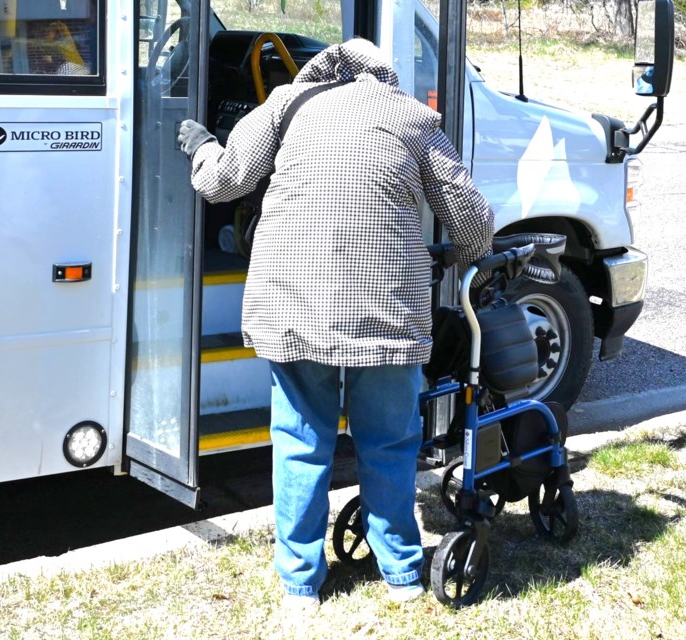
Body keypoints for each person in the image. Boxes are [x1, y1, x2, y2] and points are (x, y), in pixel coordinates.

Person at [177, 39, 494, 613]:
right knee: (391, 442)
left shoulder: (286, 103)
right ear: (384, 77)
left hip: (294, 309)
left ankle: (300, 582)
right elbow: (473, 221)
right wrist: (448, 256)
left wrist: (202, 146)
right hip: (386, 316)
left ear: (322, 67)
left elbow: (221, 183)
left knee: (301, 441)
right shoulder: (414, 117)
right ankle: (400, 569)